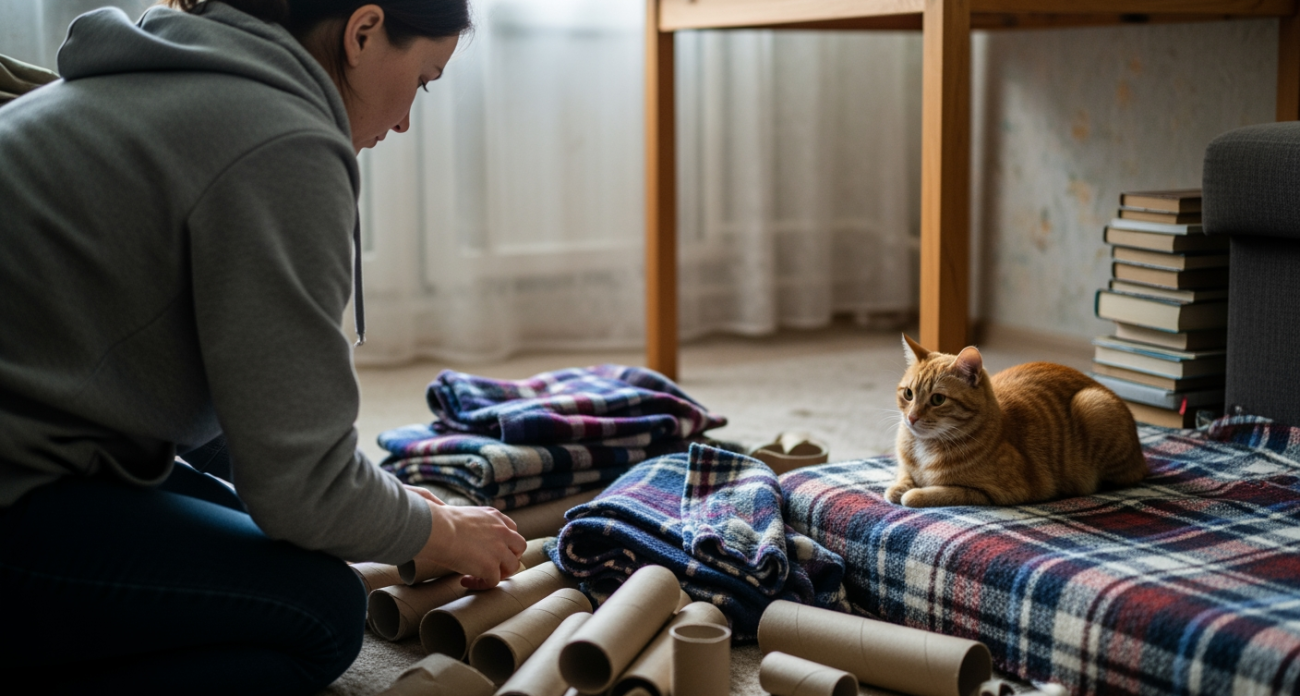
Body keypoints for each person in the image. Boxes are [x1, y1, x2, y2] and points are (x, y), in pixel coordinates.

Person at [0, 1, 526, 693]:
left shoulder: (162, 75)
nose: (403, 121)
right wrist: (443, 532)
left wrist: (392, 511)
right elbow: (301, 490)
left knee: (265, 526)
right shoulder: (281, 140)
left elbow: (242, 423)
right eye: (423, 80)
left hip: (36, 445)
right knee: (321, 610)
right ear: (364, 32)